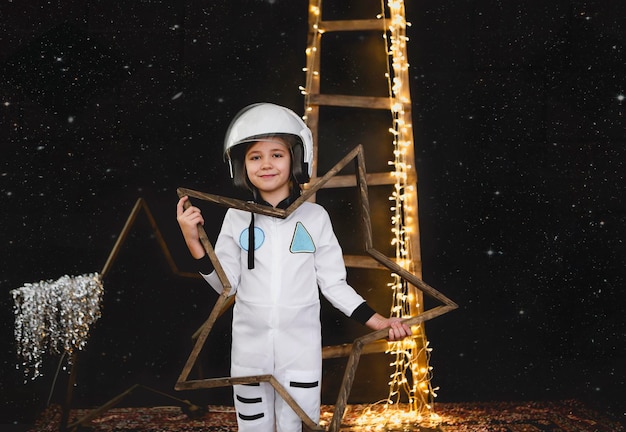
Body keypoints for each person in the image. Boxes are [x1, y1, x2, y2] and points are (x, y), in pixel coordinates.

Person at [176, 102, 412, 431]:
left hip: (299, 353)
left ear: (297, 159)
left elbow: (334, 284)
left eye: (277, 154)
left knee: (295, 426)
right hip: (249, 352)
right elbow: (225, 285)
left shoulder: (315, 219)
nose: (266, 164)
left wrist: (377, 320)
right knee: (253, 427)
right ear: (240, 165)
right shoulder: (236, 217)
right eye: (255, 156)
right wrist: (193, 242)